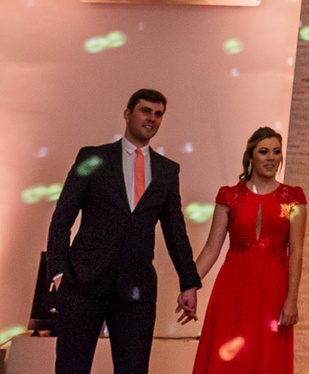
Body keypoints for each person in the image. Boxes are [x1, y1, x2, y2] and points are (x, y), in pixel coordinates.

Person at [46, 89, 201, 374]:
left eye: (158, 114)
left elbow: (175, 232)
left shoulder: (167, 171)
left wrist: (188, 283)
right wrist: (58, 273)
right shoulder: (93, 157)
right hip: (82, 286)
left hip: (137, 291)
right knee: (71, 368)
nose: (152, 118)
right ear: (128, 114)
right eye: (146, 111)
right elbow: (62, 217)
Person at [190, 127, 308, 374]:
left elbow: (296, 251)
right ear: (250, 156)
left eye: (276, 152)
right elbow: (211, 249)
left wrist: (292, 299)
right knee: (227, 357)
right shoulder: (229, 195)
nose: (271, 157)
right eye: (264, 151)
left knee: (265, 357)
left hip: (273, 292)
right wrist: (189, 285)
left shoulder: (293, 197)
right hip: (232, 291)